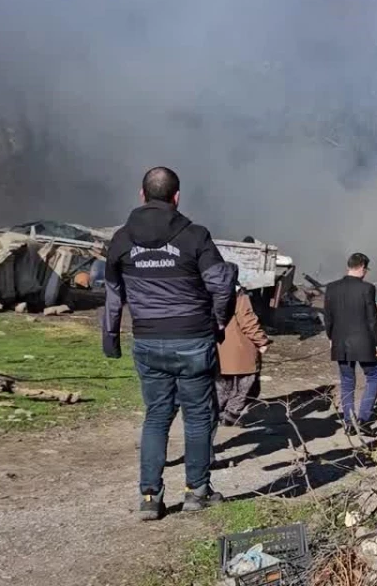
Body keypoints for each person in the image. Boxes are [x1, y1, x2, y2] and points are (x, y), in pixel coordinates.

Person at [102, 166, 235, 521]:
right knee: (197, 417)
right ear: (176, 197)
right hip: (193, 340)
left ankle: (149, 497)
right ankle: (197, 492)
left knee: (157, 417)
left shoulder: (120, 240)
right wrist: (219, 320)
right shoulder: (195, 236)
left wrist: (111, 338)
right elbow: (221, 283)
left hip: (147, 341)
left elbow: (113, 294)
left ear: (141, 195)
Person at [321, 253, 377, 435]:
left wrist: (331, 337)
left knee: (347, 382)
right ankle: (363, 419)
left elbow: (328, 317)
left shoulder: (332, 288)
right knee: (373, 377)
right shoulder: (367, 288)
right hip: (365, 342)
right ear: (362, 266)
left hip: (340, 342)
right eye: (366, 269)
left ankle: (350, 423)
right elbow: (372, 318)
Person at [216, 279, 270, 427]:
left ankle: (215, 414)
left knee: (221, 387)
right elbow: (247, 321)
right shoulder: (239, 296)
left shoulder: (209, 293)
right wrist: (262, 341)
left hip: (218, 349)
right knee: (248, 387)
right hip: (241, 350)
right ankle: (230, 415)